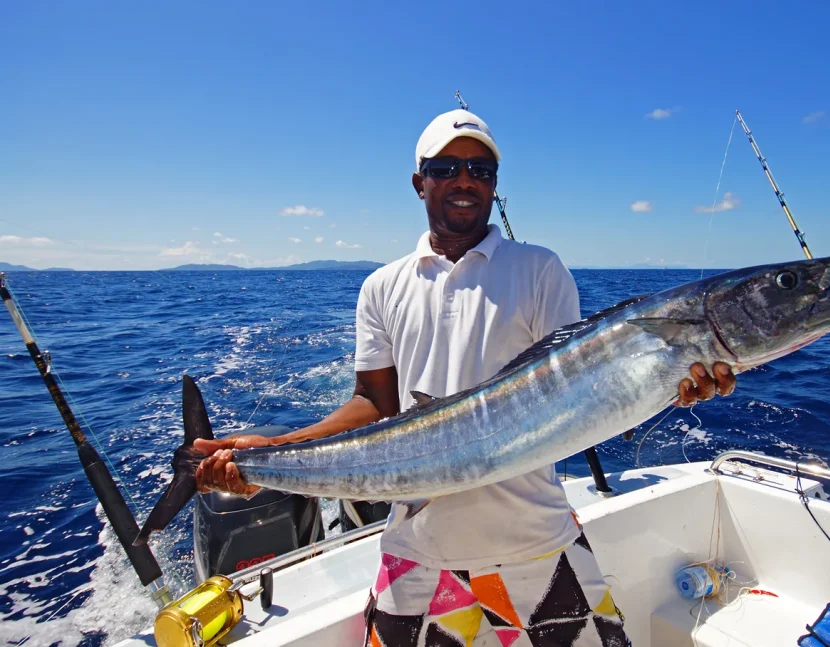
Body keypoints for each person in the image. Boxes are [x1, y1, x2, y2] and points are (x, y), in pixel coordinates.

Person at [194, 108, 736, 647]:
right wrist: (270, 451)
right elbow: (373, 404)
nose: (464, 180)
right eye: (446, 167)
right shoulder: (381, 288)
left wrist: (669, 384)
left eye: (481, 171)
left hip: (538, 542)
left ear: (495, 187)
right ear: (418, 182)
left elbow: (587, 391)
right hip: (417, 552)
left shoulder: (540, 269)